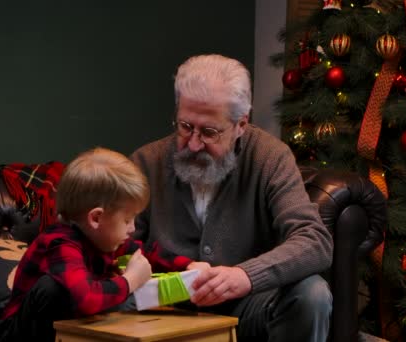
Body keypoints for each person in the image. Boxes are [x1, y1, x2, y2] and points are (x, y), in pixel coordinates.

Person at [130, 54, 333, 342]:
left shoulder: (270, 157)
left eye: (210, 132)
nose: (194, 143)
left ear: (241, 124)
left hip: (245, 309)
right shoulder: (146, 162)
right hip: (162, 310)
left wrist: (246, 276)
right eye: (185, 126)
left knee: (311, 293)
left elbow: (315, 241)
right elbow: (116, 249)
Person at [0, 147, 208, 342]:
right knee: (53, 288)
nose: (132, 228)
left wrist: (189, 265)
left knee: (119, 296)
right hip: (18, 334)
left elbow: (147, 251)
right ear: (96, 218)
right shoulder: (60, 243)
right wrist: (130, 280)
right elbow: (87, 299)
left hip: (69, 325)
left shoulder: (104, 239)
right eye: (126, 220)